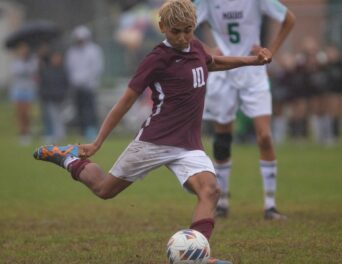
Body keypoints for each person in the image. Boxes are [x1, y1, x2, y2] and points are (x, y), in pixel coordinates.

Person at [34, 0, 271, 263]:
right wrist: (98, 142)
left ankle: (195, 257)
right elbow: (124, 104)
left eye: (188, 30)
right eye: (176, 31)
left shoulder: (195, 46)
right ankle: (69, 158)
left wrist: (253, 60)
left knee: (210, 191)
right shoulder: (156, 59)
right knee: (104, 189)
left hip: (189, 144)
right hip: (154, 141)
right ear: (162, 27)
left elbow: (213, 62)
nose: (182, 37)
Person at [194, 0, 295, 220]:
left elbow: (289, 19)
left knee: (265, 136)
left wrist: (271, 51)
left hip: (253, 70)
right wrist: (208, 50)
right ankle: (223, 202)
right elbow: (183, 24)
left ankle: (270, 205)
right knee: (222, 140)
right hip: (222, 70)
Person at [66, 25, 104, 141]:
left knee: (90, 109)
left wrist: (84, 79)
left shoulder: (94, 50)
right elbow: (70, 68)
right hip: (76, 86)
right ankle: (82, 130)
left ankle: (91, 130)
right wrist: (75, 80)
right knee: (79, 109)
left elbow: (96, 68)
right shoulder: (72, 52)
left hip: (89, 85)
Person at [8, 42, 38, 146]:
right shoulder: (16, 62)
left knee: (27, 113)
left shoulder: (32, 60)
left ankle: (27, 132)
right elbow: (16, 72)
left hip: (28, 90)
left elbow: (33, 71)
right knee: (20, 113)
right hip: (18, 90)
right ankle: (22, 133)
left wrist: (27, 68)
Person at [38, 47, 69, 143]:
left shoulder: (63, 70)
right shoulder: (46, 70)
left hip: (60, 97)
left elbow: (66, 84)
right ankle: (54, 134)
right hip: (49, 97)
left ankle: (60, 134)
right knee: (52, 117)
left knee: (59, 117)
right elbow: (43, 84)